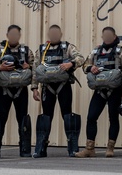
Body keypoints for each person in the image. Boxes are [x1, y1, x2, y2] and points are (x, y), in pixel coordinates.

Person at [76, 26, 122, 158]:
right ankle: (89, 148)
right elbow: (85, 65)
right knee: (91, 117)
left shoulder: (120, 52)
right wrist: (91, 68)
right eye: (104, 35)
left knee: (113, 118)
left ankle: (110, 148)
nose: (106, 38)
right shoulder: (95, 51)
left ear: (114, 36)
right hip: (99, 91)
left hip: (115, 90)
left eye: (109, 35)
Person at [32, 25, 85, 157]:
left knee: (67, 114)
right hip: (47, 87)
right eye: (52, 33)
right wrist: (34, 88)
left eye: (56, 33)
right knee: (46, 116)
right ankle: (41, 147)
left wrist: (71, 64)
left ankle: (72, 147)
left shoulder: (68, 47)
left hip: (63, 85)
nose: (54, 35)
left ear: (60, 34)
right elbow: (35, 68)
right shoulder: (41, 49)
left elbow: (81, 59)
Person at [0, 24, 33, 159]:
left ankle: (25, 149)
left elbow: (36, 69)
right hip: (4, 90)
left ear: (19, 36)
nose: (14, 36)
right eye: (11, 34)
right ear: (7, 35)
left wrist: (28, 67)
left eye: (16, 34)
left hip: (21, 90)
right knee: (0, 119)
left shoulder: (26, 51)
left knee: (23, 119)